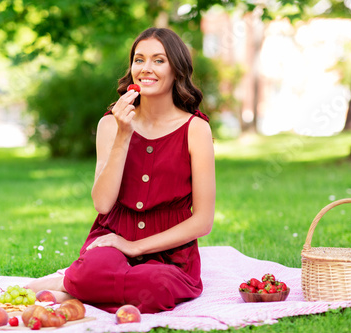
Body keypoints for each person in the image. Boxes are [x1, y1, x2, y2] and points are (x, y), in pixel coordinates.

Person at [24, 27, 215, 314]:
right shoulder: (111, 124)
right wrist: (123, 134)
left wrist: (135, 247)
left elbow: (202, 221)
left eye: (158, 60)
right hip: (111, 237)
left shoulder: (196, 129)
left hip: (170, 255)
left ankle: (70, 287)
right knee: (94, 270)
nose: (146, 68)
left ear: (177, 69)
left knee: (157, 286)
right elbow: (102, 203)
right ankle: (80, 281)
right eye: (139, 60)